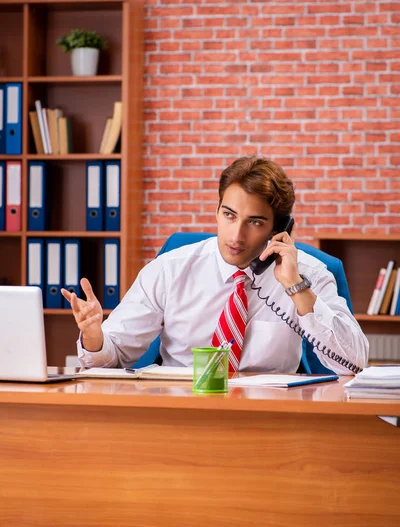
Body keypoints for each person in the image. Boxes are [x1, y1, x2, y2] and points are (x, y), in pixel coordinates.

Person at [61, 156, 369, 374]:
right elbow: (110, 358)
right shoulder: (170, 270)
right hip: (180, 412)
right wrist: (93, 335)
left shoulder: (310, 275)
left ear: (280, 229)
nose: (237, 235)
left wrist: (296, 287)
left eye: (255, 222)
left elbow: (354, 363)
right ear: (217, 211)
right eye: (230, 215)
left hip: (269, 420)